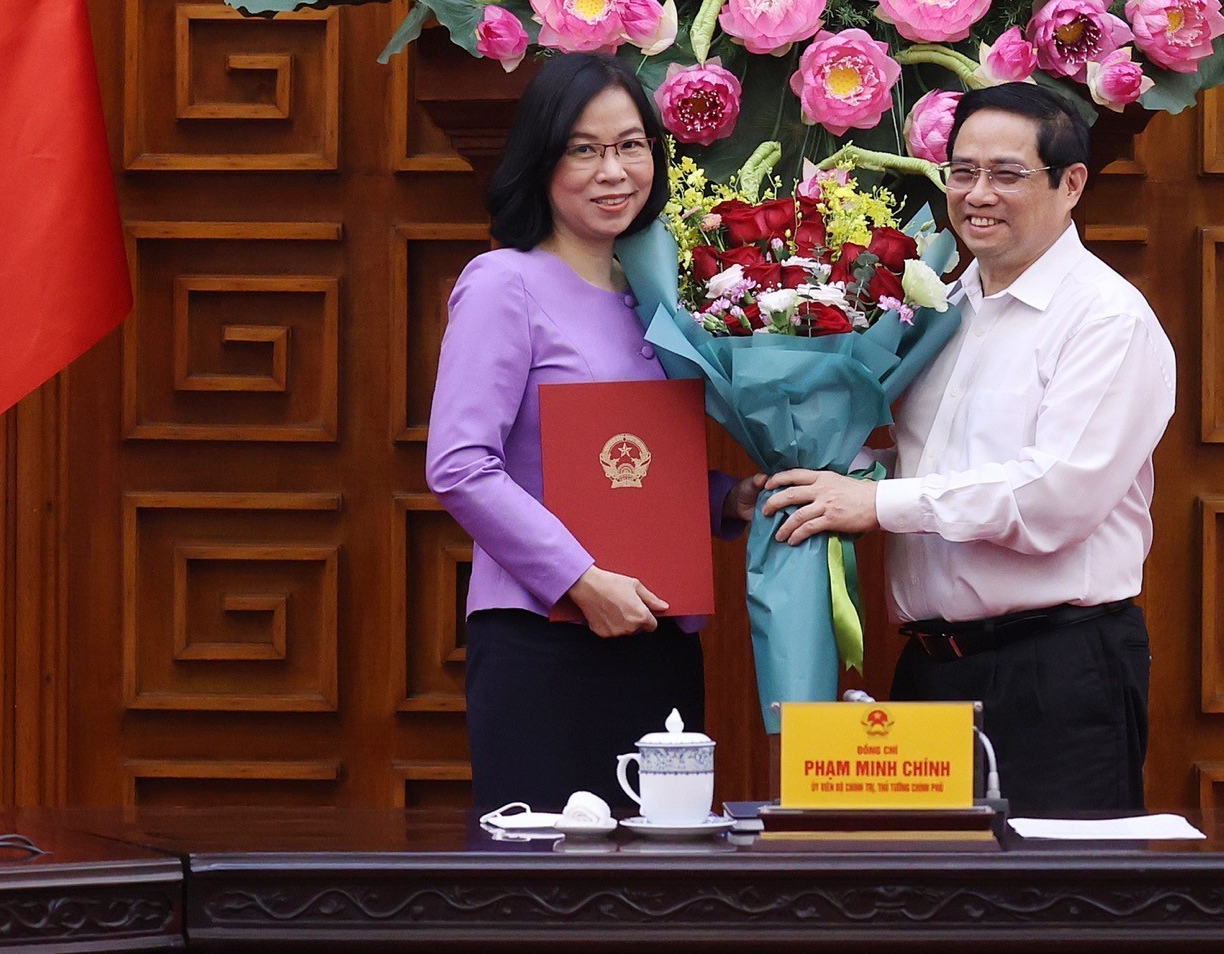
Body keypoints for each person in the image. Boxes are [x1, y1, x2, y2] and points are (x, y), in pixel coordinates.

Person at [758, 84, 1176, 814]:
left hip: (1054, 668)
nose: (978, 194)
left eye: (1007, 174)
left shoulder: (1107, 319)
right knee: (923, 883)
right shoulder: (941, 309)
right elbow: (924, 467)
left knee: (1056, 883)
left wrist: (877, 503)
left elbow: (1055, 496)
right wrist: (818, 475)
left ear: (1071, 183)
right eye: (962, 171)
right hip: (930, 669)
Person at [427, 53, 760, 812]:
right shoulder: (503, 282)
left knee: (662, 868)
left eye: (631, 145)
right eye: (584, 149)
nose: (613, 171)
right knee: (553, 874)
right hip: (546, 638)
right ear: (542, 159)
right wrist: (579, 580)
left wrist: (726, 499)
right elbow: (461, 465)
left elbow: (628, 467)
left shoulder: (660, 293)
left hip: (659, 632)